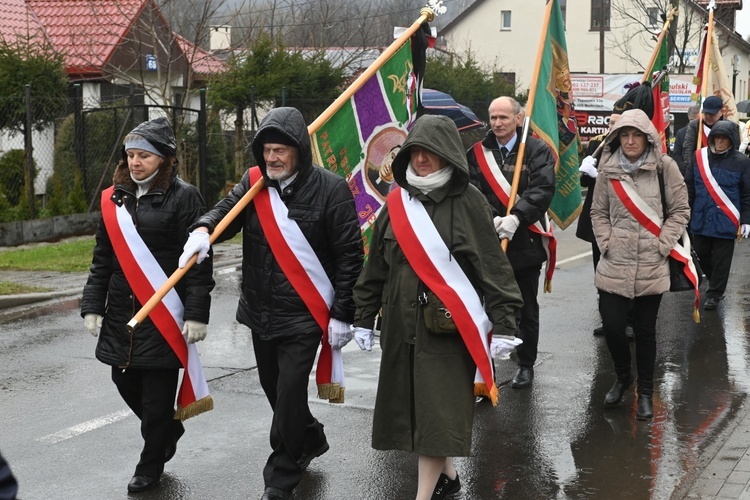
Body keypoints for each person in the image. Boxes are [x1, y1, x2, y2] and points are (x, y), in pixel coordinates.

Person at [179, 107, 363, 500]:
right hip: (261, 310)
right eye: (266, 150)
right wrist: (204, 228)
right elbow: (225, 211)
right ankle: (310, 436)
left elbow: (350, 256)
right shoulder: (254, 183)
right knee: (274, 389)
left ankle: (279, 479)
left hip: (305, 314)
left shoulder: (331, 189)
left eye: (280, 149)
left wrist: (343, 313)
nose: (272, 158)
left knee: (290, 391)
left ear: (299, 149)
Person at [351, 114, 523, 500]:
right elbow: (375, 266)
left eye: (430, 152)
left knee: (436, 412)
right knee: (415, 410)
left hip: (447, 330)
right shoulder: (395, 203)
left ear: (447, 155)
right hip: (400, 327)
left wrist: (506, 322)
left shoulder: (467, 201)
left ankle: (423, 495)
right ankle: (450, 477)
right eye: (415, 151)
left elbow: (493, 267)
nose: (422, 159)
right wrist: (362, 317)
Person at [80, 117, 215, 493]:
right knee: (122, 379)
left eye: (145, 156)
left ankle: (150, 465)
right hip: (123, 314)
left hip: (165, 313)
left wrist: (196, 313)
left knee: (157, 399)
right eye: (131, 155)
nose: (136, 162)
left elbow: (199, 263)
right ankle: (168, 432)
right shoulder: (114, 198)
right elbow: (102, 257)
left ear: (164, 159)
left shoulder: (184, 196)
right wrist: (92, 304)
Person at [590, 109, 690, 420]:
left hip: (651, 262)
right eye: (624, 134)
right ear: (617, 137)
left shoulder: (664, 167)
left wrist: (662, 244)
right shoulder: (607, 170)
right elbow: (598, 212)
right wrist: (606, 242)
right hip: (614, 262)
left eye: (636, 135)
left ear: (647, 137)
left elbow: (680, 210)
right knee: (613, 327)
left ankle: (645, 392)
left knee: (646, 332)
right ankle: (623, 376)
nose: (630, 141)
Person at [466, 96, 556, 389]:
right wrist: (489, 219)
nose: (497, 123)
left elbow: (543, 189)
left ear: (519, 118)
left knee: (526, 308)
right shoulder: (476, 154)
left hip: (526, 242)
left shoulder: (536, 150)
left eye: (504, 117)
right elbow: (471, 190)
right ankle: (484, 364)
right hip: (488, 244)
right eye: (493, 117)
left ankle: (526, 363)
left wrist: (517, 217)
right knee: (485, 306)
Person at [684, 121, 750, 310]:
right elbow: (689, 187)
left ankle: (715, 294)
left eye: (724, 138)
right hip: (700, 217)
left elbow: (747, 193)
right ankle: (715, 281)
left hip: (726, 220)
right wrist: (684, 212)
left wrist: (746, 219)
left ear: (733, 140)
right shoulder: (699, 157)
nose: (720, 141)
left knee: (722, 259)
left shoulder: (743, 162)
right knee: (701, 253)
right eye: (717, 137)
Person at [682, 95, 738, 168]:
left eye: (712, 114)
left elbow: (734, 151)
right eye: (706, 113)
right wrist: (691, 169)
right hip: (699, 168)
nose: (708, 117)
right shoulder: (695, 125)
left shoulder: (731, 127)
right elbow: (688, 149)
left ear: (721, 112)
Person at [672, 105, 700, 176]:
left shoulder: (704, 132)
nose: (694, 123)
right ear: (688, 118)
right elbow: (677, 154)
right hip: (686, 172)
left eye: (696, 120)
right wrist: (686, 170)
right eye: (692, 120)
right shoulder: (681, 133)